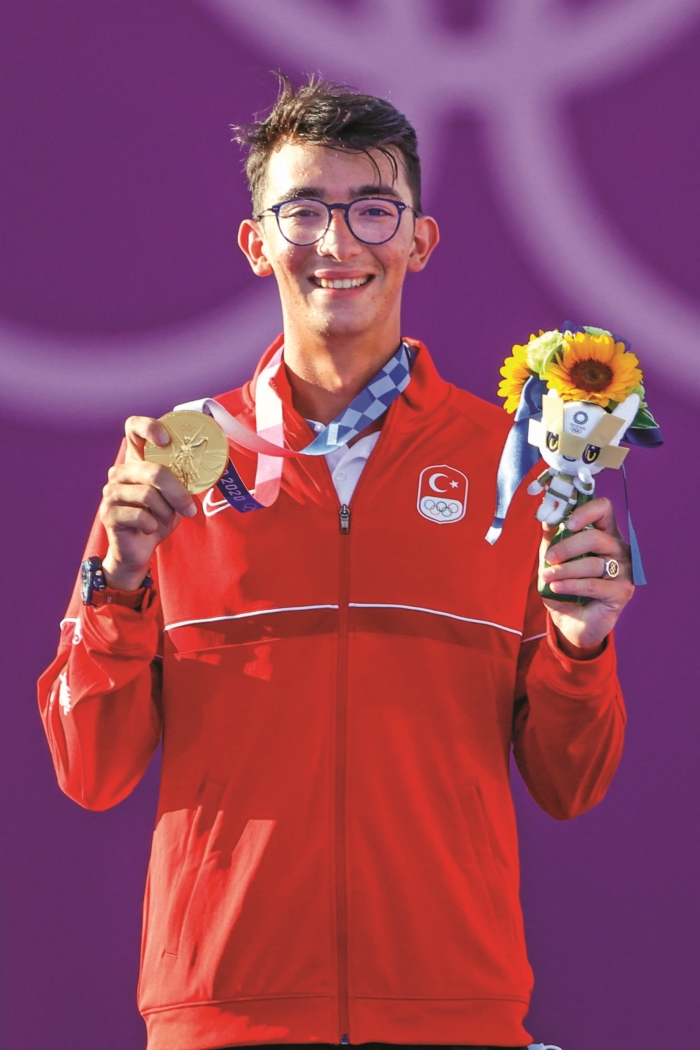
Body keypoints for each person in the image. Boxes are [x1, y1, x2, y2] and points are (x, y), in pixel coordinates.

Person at [38, 77, 632, 1050]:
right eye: (304, 210)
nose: (338, 242)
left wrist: (580, 650)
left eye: (372, 210)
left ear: (419, 240)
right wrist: (122, 581)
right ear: (256, 241)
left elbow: (572, 783)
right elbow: (88, 769)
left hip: (453, 1011)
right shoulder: (178, 458)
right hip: (226, 1014)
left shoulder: (514, 467)